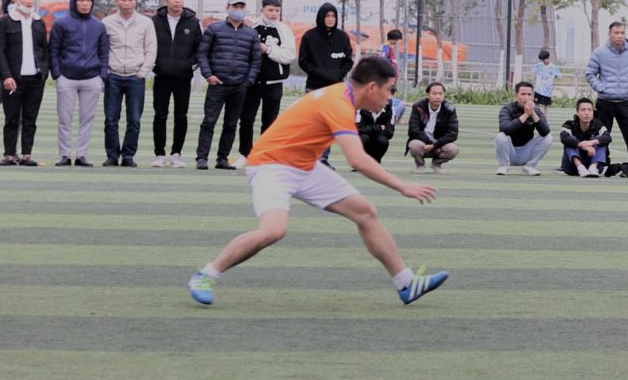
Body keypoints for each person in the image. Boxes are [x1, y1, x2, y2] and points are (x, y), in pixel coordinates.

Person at [186, 56, 447, 308]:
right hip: (271, 165)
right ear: (371, 87)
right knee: (273, 230)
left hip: (304, 165)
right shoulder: (338, 103)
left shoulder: (343, 97)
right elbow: (357, 160)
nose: (390, 98)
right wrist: (403, 186)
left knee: (365, 212)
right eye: (389, 90)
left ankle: (406, 283)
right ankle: (205, 275)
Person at [193, 0, 262, 170]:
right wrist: (209, 75)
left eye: (241, 7)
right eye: (235, 7)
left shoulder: (251, 34)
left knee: (231, 124)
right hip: (217, 84)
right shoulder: (214, 29)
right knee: (209, 122)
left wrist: (248, 81)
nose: (238, 10)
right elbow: (202, 54)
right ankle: (202, 158)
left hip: (239, 86)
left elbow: (256, 60)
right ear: (227, 8)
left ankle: (222, 159)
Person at [0, 0, 49, 166]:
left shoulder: (39, 22)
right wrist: (6, 76)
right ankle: (9, 155)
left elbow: (44, 50)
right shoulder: (3, 22)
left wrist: (44, 72)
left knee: (30, 119)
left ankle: (26, 155)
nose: (29, 1)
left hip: (35, 79)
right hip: (13, 79)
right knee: (11, 118)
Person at [48, 0, 109, 167]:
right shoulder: (61, 23)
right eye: (81, 0)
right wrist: (57, 74)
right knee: (65, 119)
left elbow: (103, 52)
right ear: (74, 2)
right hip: (67, 77)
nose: (85, 4)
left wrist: (102, 75)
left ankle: (82, 155)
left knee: (87, 119)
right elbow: (54, 50)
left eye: (88, 0)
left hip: (92, 78)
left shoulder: (99, 26)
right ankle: (65, 155)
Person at [101, 0, 156, 168]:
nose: (127, 3)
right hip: (113, 76)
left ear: (135, 1)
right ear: (117, 1)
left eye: (130, 0)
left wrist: (142, 73)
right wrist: (106, 71)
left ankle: (128, 155)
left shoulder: (146, 23)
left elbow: (151, 49)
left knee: (134, 120)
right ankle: (112, 155)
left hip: (135, 77)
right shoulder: (107, 22)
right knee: (111, 119)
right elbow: (102, 49)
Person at [148, 0, 201, 167]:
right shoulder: (155, 21)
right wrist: (156, 65)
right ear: (166, 0)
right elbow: (149, 44)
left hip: (183, 78)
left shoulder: (193, 22)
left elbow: (199, 48)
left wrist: (188, 64)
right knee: (160, 115)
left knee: (181, 116)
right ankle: (159, 154)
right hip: (161, 76)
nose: (177, 1)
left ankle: (176, 154)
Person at [238, 0, 297, 159]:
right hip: (252, 83)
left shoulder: (284, 30)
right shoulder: (251, 27)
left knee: (270, 122)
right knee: (246, 119)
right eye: (270, 10)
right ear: (262, 10)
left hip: (274, 83)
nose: (274, 13)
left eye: (277, 10)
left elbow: (288, 56)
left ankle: (265, 153)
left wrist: (268, 49)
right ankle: (245, 153)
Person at [585, 21, 628, 174]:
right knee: (603, 135)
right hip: (605, 101)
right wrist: (601, 87)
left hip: (625, 101)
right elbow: (590, 73)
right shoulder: (599, 52)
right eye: (616, 33)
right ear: (609, 34)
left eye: (622, 33)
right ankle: (603, 162)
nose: (619, 36)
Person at [495, 81, 551, 175]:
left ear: (533, 97)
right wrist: (525, 115)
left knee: (548, 137)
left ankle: (529, 166)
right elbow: (506, 129)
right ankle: (503, 166)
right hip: (509, 151)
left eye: (529, 94)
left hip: (526, 152)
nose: (526, 98)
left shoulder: (537, 111)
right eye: (523, 94)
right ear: (516, 96)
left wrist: (533, 113)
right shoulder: (507, 109)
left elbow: (545, 131)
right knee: (501, 136)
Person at [296, 3, 353, 90]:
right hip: (314, 86)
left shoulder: (343, 37)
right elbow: (303, 61)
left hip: (336, 86)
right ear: (321, 17)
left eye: (333, 16)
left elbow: (348, 61)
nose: (330, 19)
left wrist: (338, 74)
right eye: (327, 16)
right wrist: (317, 72)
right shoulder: (309, 36)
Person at [407, 81, 460, 168]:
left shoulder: (450, 109)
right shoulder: (418, 107)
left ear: (444, 95)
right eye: (434, 93)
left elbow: (453, 133)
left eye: (440, 94)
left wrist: (435, 145)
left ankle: (436, 164)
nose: (438, 96)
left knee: (453, 149)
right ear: (427, 95)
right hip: (422, 141)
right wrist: (431, 144)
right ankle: (420, 165)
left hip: (439, 143)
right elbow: (413, 130)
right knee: (414, 145)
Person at [558, 97, 609, 177]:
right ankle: (580, 168)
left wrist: (591, 142)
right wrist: (581, 145)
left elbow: (608, 137)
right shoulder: (569, 125)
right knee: (570, 140)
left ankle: (593, 167)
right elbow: (564, 138)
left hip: (591, 161)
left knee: (600, 139)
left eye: (589, 110)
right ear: (577, 112)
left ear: (593, 112)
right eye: (583, 110)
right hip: (573, 167)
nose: (586, 113)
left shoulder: (598, 125)